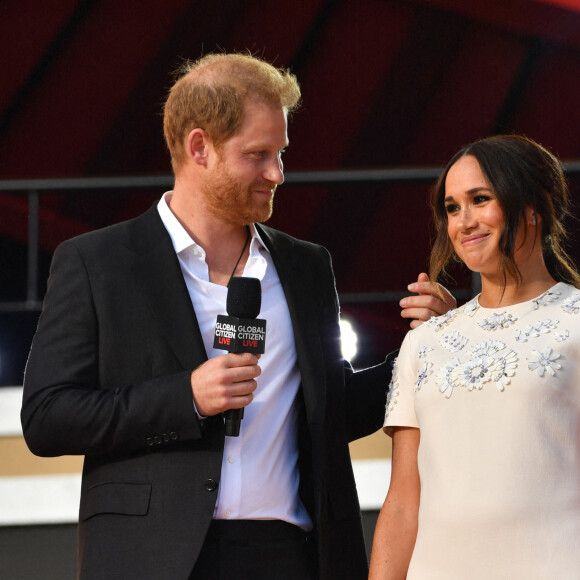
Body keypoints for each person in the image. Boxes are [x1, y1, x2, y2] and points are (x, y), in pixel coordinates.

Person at [21, 53, 453, 580]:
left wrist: (428, 345)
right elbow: (47, 418)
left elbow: (333, 409)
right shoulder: (97, 262)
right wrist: (187, 397)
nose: (278, 173)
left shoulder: (306, 265)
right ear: (199, 146)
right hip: (152, 558)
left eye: (281, 153)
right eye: (258, 154)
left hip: (290, 555)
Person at [369, 134, 580, 579]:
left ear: (533, 208)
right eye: (452, 207)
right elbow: (404, 504)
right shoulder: (425, 342)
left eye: (480, 199)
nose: (464, 221)